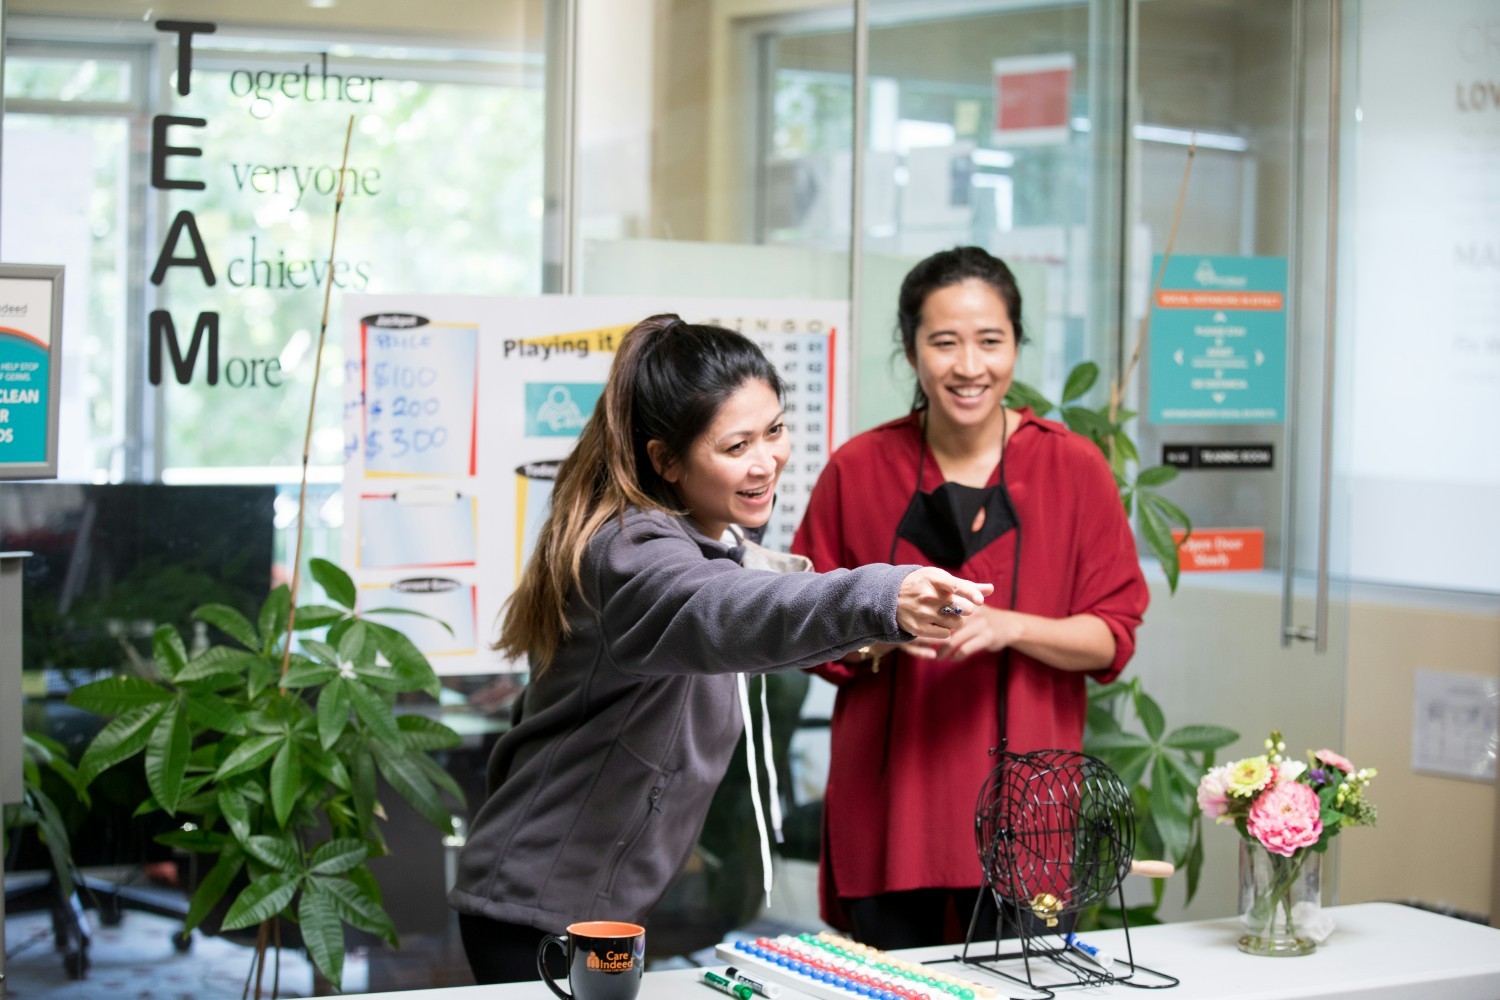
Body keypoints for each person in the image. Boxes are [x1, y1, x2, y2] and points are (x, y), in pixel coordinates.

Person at [449, 313, 992, 984]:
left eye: (774, 431)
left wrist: (882, 627)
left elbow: (765, 583)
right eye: (736, 446)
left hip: (591, 907)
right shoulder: (630, 553)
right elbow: (726, 609)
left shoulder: (708, 542)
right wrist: (881, 595)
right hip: (535, 912)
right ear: (666, 460)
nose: (766, 461)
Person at [791, 247, 1150, 950]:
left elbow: (1113, 638)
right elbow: (806, 630)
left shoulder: (1074, 468)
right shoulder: (856, 470)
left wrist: (1008, 626)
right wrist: (887, 627)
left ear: (1017, 343)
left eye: (991, 341)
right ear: (910, 348)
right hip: (893, 808)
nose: (969, 366)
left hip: (1033, 813)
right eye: (944, 342)